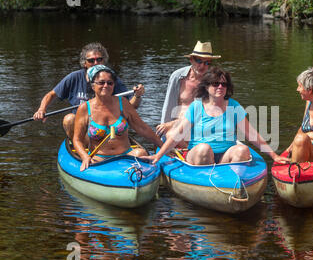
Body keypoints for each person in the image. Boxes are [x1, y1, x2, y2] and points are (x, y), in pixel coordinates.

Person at [146, 67, 287, 165]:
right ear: (207, 87)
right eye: (215, 83)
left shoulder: (234, 106)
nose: (220, 87)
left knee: (242, 150)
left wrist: (274, 156)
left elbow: (252, 135)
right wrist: (159, 156)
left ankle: (230, 186)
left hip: (224, 157)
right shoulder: (196, 106)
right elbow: (178, 134)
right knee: (204, 149)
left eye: (224, 84)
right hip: (199, 156)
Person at [33, 42, 145, 140]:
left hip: (105, 127)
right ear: (84, 63)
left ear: (104, 61)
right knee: (69, 119)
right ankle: (79, 146)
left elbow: (131, 107)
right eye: (91, 60)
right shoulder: (74, 77)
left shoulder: (111, 80)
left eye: (99, 59)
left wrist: (137, 96)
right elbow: (51, 94)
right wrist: (42, 109)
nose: (95, 63)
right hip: (82, 127)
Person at [73, 65, 162, 171]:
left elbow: (142, 128)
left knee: (141, 153)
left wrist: (164, 146)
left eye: (109, 83)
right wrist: (84, 156)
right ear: (93, 86)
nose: (106, 86)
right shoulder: (84, 108)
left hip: (126, 155)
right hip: (99, 159)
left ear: (113, 85)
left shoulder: (123, 103)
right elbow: (77, 139)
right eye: (101, 82)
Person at [156, 41, 221, 140]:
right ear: (191, 60)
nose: (202, 66)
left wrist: (170, 124)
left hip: (201, 128)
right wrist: (163, 129)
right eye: (199, 61)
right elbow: (168, 106)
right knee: (171, 135)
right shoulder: (177, 77)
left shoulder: (213, 82)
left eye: (207, 63)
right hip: (176, 128)